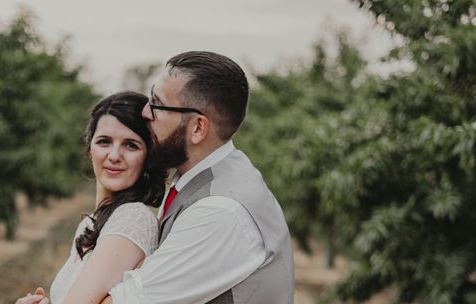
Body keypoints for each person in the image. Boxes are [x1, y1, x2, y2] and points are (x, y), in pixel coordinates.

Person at [101, 51, 294, 304]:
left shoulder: (219, 212)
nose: (145, 112)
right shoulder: (202, 178)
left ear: (198, 128)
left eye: (157, 103)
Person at [16, 91, 167, 304]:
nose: (114, 156)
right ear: (90, 149)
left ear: (147, 157)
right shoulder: (91, 223)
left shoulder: (132, 219)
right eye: (104, 142)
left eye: (131, 145)